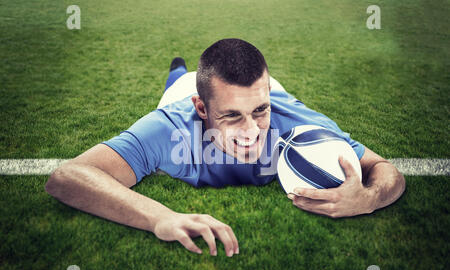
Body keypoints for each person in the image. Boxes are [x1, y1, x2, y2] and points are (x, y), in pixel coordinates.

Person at [45, 38, 406, 257]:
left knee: (251, 100)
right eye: (232, 116)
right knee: (177, 81)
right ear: (202, 109)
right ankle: (177, 70)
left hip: (271, 90)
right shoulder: (171, 128)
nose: (251, 131)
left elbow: (386, 170)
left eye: (259, 111)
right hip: (181, 92)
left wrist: (370, 198)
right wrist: (161, 218)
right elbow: (66, 177)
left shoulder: (297, 121)